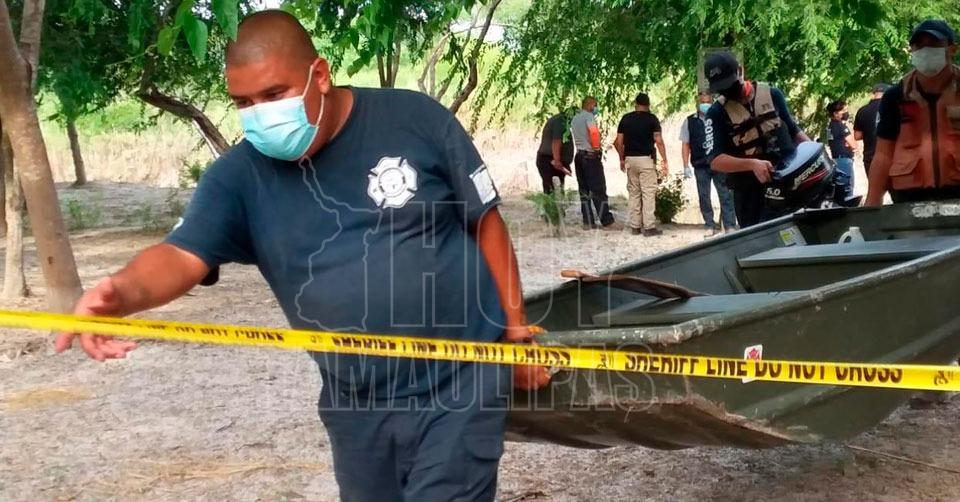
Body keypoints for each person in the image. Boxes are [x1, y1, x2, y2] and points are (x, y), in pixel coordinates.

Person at [52, 10, 549, 502]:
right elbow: (180, 256)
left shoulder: (415, 119)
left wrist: (516, 333)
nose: (260, 114)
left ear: (321, 75)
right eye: (243, 102)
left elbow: (485, 223)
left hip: (460, 380)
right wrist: (122, 293)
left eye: (274, 94)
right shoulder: (238, 178)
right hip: (354, 401)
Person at [703, 51, 811, 227]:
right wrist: (752, 164)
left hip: (788, 183)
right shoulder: (716, 113)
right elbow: (715, 161)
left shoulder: (773, 94)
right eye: (721, 88)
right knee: (758, 239)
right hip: (750, 195)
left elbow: (794, 131)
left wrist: (815, 152)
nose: (728, 91)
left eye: (730, 84)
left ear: (740, 71)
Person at [866, 20, 960, 206]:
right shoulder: (895, 97)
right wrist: (872, 202)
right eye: (919, 46)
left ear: (952, 49)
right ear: (912, 51)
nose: (925, 51)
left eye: (933, 44)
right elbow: (883, 155)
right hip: (908, 201)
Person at [681, 91, 737, 236]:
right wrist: (685, 165)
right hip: (700, 164)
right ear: (697, 103)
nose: (705, 105)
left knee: (725, 194)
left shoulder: (719, 119)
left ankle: (729, 225)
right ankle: (709, 225)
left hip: (719, 162)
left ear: (712, 103)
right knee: (704, 196)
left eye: (707, 102)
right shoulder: (689, 121)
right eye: (702, 102)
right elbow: (685, 144)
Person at [614, 93, 668, 236]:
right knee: (648, 192)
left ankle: (635, 226)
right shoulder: (652, 119)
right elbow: (658, 140)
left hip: (630, 159)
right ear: (648, 105)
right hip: (646, 159)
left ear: (635, 104)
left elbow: (618, 142)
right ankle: (649, 227)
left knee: (634, 193)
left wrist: (622, 159)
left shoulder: (626, 119)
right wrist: (665, 159)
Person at [570, 97, 619, 230]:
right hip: (590, 157)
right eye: (595, 105)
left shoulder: (575, 118)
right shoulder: (588, 116)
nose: (596, 108)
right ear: (590, 104)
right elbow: (593, 132)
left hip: (579, 156)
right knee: (598, 189)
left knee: (584, 190)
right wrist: (597, 148)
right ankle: (607, 220)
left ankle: (588, 221)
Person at [853, 83, 889, 175]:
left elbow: (857, 136)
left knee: (874, 184)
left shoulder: (862, 111)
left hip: (871, 157)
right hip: (891, 157)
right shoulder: (895, 108)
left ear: (873, 93)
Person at [535, 110, 573, 194]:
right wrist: (557, 161)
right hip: (550, 161)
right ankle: (550, 203)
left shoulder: (560, 120)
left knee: (557, 191)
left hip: (552, 160)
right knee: (552, 191)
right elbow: (556, 141)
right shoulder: (561, 122)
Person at [825, 100, 856, 199]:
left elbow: (832, 142)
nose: (846, 113)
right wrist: (848, 143)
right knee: (847, 190)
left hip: (836, 159)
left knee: (839, 189)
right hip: (844, 160)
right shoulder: (841, 126)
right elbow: (854, 145)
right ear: (835, 113)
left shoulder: (830, 126)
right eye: (843, 110)